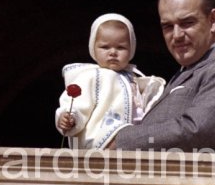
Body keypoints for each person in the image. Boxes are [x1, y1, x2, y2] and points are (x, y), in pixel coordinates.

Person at [109, 0, 215, 153]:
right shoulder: (180, 75)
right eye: (168, 26)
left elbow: (197, 131)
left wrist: (121, 140)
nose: (177, 35)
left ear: (213, 20)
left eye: (187, 23)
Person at [55, 13, 165, 150]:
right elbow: (78, 103)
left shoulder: (134, 80)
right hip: (104, 141)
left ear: (131, 50)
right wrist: (69, 117)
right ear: (93, 48)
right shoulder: (91, 76)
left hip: (134, 140)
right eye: (105, 47)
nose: (113, 52)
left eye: (120, 48)